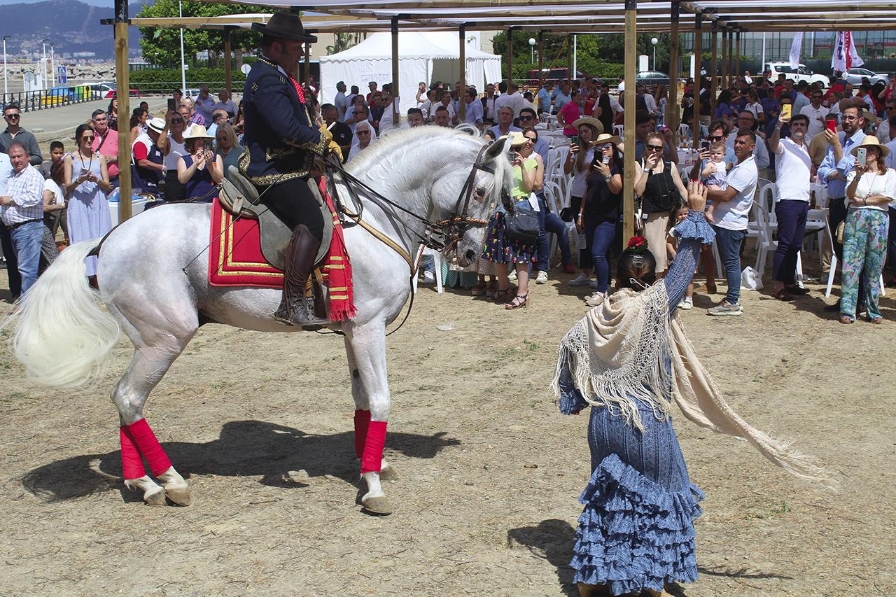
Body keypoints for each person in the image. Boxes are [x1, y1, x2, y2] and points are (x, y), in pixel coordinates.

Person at [555, 181, 831, 597]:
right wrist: (698, 213)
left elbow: (569, 369)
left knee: (608, 496)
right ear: (650, 272)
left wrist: (576, 398)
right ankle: (652, 583)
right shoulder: (652, 306)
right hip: (642, 421)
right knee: (663, 495)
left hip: (603, 424)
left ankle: (591, 579)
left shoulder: (592, 319)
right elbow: (685, 266)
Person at [243, 11, 334, 328]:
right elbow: (287, 129)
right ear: (278, 47)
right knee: (311, 220)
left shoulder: (273, 74)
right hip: (273, 169)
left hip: (289, 165)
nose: (300, 54)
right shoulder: (267, 79)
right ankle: (293, 303)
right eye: (296, 48)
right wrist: (320, 143)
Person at [840, 137, 896, 324]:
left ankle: (872, 309)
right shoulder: (854, 173)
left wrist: (863, 200)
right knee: (851, 264)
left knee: (874, 265)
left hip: (878, 219)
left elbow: (887, 197)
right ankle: (848, 310)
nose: (868, 153)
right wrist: (857, 175)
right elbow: (849, 195)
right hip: (856, 218)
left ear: (878, 153)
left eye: (871, 149)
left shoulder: (889, 174)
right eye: (864, 150)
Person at [481, 131, 538, 309]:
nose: (513, 152)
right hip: (501, 210)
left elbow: (529, 188)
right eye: (510, 148)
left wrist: (521, 166)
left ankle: (522, 292)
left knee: (521, 254)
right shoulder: (501, 165)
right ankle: (505, 288)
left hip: (520, 209)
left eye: (516, 148)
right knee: (498, 254)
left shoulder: (531, 162)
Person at [705, 131, 759, 316]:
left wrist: (702, 191)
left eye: (742, 143)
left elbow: (727, 195)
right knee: (731, 261)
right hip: (728, 220)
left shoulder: (745, 170)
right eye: (736, 142)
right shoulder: (740, 165)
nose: (737, 145)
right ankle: (731, 297)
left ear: (751, 147)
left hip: (731, 222)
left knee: (731, 262)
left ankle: (732, 300)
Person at [768, 113, 813, 301]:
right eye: (795, 125)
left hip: (803, 200)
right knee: (785, 243)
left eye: (802, 125)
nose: (799, 128)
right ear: (790, 127)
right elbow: (772, 145)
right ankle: (778, 285)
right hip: (788, 199)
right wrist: (779, 124)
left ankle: (789, 282)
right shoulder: (784, 144)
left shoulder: (806, 148)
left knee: (795, 245)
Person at [577, 133, 623, 307]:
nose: (603, 149)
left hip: (607, 217)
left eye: (607, 146)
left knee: (598, 252)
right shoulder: (594, 167)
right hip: (591, 215)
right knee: (597, 253)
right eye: (600, 146)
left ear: (613, 149)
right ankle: (604, 285)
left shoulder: (617, 167)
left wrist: (607, 174)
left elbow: (617, 189)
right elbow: (586, 192)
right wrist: (581, 213)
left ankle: (601, 291)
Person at [64, 124, 113, 282]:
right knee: (81, 235)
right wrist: (80, 179)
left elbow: (107, 185)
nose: (89, 141)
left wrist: (95, 179)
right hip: (79, 201)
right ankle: (82, 275)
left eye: (91, 138)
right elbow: (68, 186)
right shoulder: (70, 159)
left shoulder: (99, 158)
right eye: (85, 138)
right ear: (79, 139)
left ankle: (100, 274)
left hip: (97, 200)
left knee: (99, 234)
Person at [634, 132, 688, 275]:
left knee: (671, 254)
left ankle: (670, 288)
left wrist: (695, 207)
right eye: (650, 147)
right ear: (645, 147)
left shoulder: (669, 165)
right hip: (652, 218)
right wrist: (647, 169)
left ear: (662, 149)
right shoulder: (638, 164)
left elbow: (681, 189)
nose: (654, 151)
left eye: (658, 148)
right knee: (657, 256)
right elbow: (638, 191)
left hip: (671, 216)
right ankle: (656, 289)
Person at [0, 142, 44, 295]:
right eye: (13, 157)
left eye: (19, 156)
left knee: (27, 269)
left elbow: (34, 197)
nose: (16, 160)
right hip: (15, 228)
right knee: (23, 267)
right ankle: (27, 300)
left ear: (28, 157)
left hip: (28, 227)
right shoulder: (13, 175)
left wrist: (10, 199)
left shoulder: (33, 175)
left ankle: (28, 305)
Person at [177, 125, 223, 202]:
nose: (200, 141)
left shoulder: (216, 157)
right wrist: (195, 164)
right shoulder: (183, 159)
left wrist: (209, 164)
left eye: (203, 139)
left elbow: (220, 180)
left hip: (212, 201)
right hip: (192, 201)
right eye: (197, 139)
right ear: (191, 142)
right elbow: (182, 179)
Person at [158, 110, 188, 201]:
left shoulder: (188, 141)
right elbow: (160, 145)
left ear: (183, 123)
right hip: (174, 179)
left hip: (188, 177)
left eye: (178, 120)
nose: (176, 123)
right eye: (173, 121)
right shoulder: (168, 140)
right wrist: (167, 124)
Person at [132, 117, 166, 196]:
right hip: (144, 185)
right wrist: (162, 167)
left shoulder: (154, 142)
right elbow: (142, 162)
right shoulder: (141, 142)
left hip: (155, 183)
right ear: (153, 132)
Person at [91, 109, 120, 188]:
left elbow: (128, 156)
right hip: (95, 181)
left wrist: (115, 158)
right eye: (98, 120)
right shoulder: (89, 137)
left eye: (104, 119)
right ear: (93, 122)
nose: (102, 122)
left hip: (115, 180)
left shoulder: (117, 135)